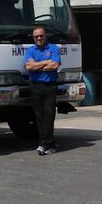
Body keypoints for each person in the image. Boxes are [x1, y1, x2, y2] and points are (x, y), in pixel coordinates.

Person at [24, 26, 61, 155]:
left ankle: (43, 143)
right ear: (33, 38)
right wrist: (46, 62)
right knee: (39, 116)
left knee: (49, 116)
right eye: (36, 36)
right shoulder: (30, 50)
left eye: (41, 35)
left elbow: (55, 65)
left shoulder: (53, 48)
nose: (39, 38)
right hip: (35, 86)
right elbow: (29, 66)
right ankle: (48, 145)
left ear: (45, 36)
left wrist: (37, 65)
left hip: (50, 86)